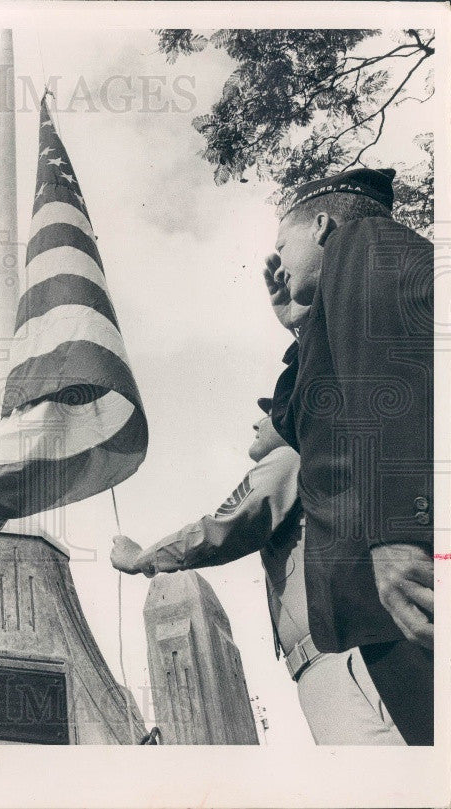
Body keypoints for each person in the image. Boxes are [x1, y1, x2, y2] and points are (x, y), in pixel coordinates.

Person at [111, 399, 406, 744]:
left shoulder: (288, 456)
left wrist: (142, 557)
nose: (257, 422)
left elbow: (224, 529)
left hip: (339, 664)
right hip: (338, 662)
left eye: (269, 413)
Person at [265, 166, 433, 745]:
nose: (278, 265)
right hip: (385, 596)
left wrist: (401, 530)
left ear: (322, 224)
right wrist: (296, 324)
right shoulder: (340, 302)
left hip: (408, 568)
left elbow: (396, 380)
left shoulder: (362, 245)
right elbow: (300, 422)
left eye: (281, 246)